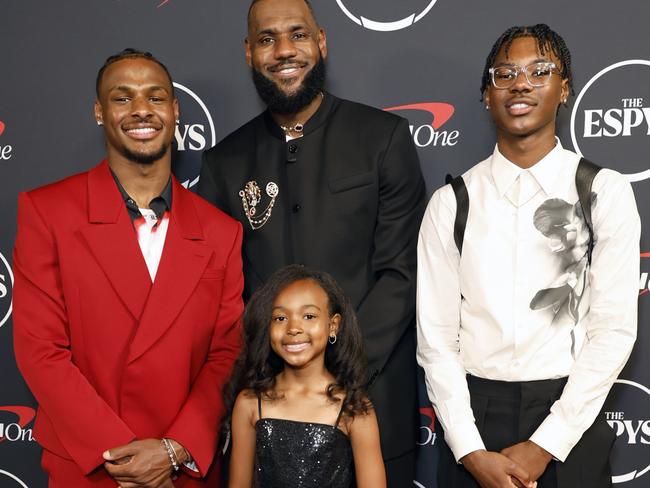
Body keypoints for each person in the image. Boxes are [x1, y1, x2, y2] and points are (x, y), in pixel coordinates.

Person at [198, 1, 426, 484]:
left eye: (297, 35)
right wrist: (282, 377)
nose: (284, 50)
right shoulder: (224, 163)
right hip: (267, 420)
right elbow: (220, 291)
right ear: (248, 52)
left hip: (372, 400)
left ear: (321, 41)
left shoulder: (382, 138)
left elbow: (401, 273)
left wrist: (339, 372)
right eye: (266, 39)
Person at [417, 24, 639, 488]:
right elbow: (436, 340)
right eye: (505, 73)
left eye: (540, 71)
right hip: (474, 418)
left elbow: (613, 330)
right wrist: (470, 450)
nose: (521, 83)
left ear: (565, 89)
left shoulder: (602, 192)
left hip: (570, 417)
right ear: (486, 95)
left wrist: (547, 443)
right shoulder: (452, 203)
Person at [12, 49, 244, 487]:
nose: (141, 109)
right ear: (100, 112)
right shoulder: (48, 212)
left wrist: (174, 449)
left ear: (175, 112)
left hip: (183, 470)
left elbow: (227, 354)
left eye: (156, 97)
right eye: (122, 98)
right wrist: (120, 454)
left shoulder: (221, 231)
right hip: (90, 466)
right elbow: (40, 351)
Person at [226, 264, 386, 488]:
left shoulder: (354, 409)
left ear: (333, 325)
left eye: (309, 316)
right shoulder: (250, 402)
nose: (293, 328)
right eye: (280, 318)